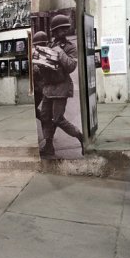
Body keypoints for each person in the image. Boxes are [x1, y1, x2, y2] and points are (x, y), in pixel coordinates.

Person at [39, 14, 84, 156]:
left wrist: (60, 52)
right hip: (48, 87)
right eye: (60, 30)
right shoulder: (49, 45)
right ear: (54, 31)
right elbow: (44, 65)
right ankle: (49, 145)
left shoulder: (70, 47)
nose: (64, 32)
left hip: (61, 87)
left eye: (65, 29)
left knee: (58, 119)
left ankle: (80, 136)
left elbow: (71, 66)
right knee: (45, 117)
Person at [32, 31, 49, 120]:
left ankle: (47, 121)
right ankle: (47, 121)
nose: (36, 47)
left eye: (38, 45)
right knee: (34, 110)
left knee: (35, 109)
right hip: (37, 87)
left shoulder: (48, 55)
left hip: (41, 88)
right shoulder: (35, 54)